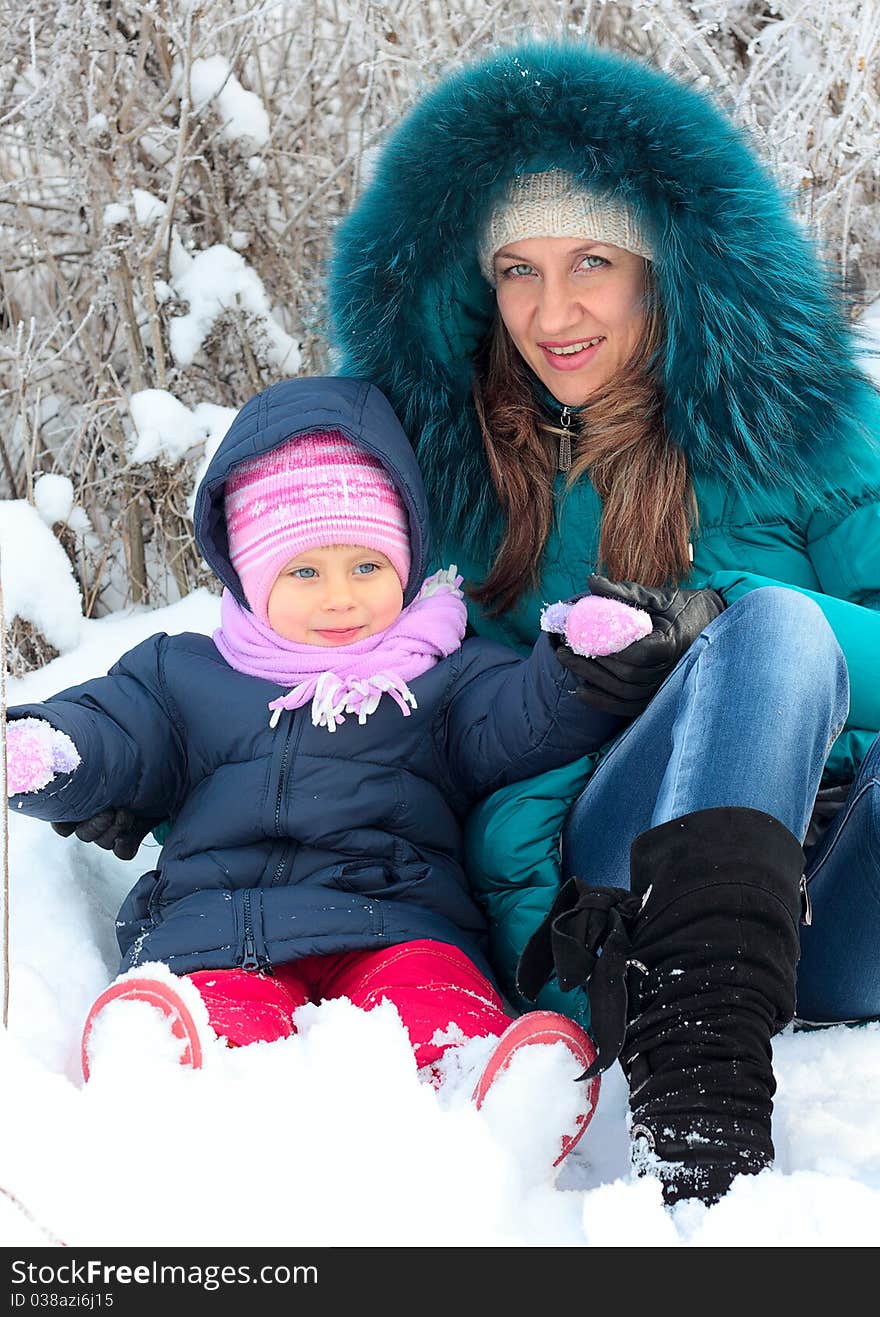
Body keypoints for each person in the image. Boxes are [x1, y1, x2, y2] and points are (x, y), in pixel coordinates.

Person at [323, 40, 880, 1204]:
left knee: (771, 627)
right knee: (773, 629)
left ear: (664, 269)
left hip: (831, 895)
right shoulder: (456, 479)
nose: (554, 309)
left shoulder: (808, 426)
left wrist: (714, 624)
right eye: (518, 271)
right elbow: (436, 720)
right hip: (623, 897)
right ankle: (700, 1115)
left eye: (591, 262)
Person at [6, 372, 649, 1167]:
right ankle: (181, 1080)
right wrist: (55, 748)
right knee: (220, 1008)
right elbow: (116, 726)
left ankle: (481, 1089)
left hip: (398, 917)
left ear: (406, 562)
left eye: (368, 567)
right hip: (219, 925)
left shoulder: (440, 674)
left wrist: (577, 662)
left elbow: (519, 720)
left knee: (430, 995)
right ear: (249, 573)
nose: (341, 598)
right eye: (304, 572)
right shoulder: (186, 674)